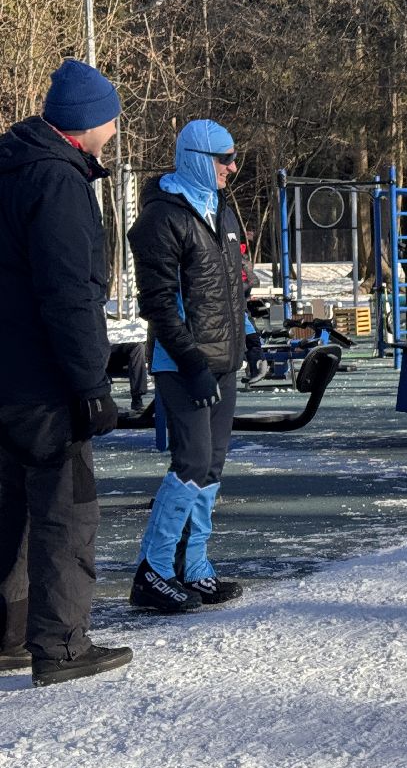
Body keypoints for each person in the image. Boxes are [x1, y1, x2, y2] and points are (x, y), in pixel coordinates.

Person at [0, 58, 132, 686]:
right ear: (85, 123)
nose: (115, 129)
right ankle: (61, 646)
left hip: (7, 374)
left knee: (10, 509)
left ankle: (9, 635)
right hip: (45, 382)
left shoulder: (12, 168)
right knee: (65, 509)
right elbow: (70, 294)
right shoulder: (58, 181)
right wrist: (90, 385)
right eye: (111, 118)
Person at [127, 119, 248, 611]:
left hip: (223, 359)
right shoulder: (163, 218)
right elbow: (158, 304)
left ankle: (192, 565)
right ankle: (153, 569)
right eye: (224, 159)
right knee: (191, 462)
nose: (231, 168)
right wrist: (192, 361)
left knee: (212, 465)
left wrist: (246, 336)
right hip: (182, 363)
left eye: (232, 159)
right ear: (199, 159)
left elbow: (230, 287)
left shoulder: (221, 210)